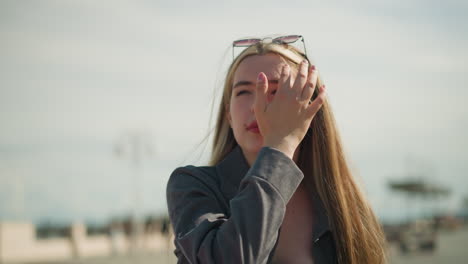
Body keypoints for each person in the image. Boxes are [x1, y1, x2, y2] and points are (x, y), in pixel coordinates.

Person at [166, 35, 387, 264]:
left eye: (277, 91)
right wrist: (278, 148)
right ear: (228, 114)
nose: (256, 105)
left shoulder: (341, 201)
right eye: (243, 92)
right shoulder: (193, 186)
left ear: (310, 107)